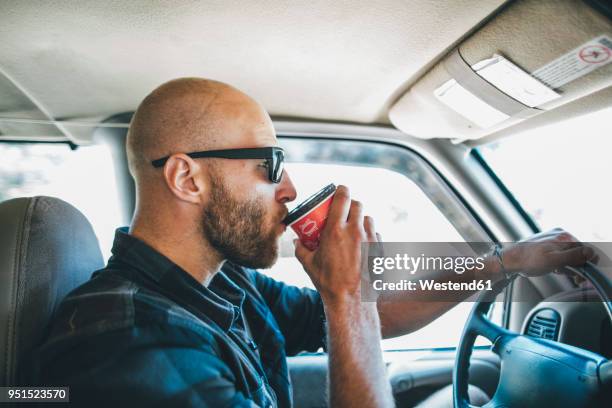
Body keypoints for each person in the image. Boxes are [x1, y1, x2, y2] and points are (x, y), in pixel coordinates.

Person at [31, 78, 596, 407]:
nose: (291, 189)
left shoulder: (223, 283)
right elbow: (352, 312)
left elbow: (381, 318)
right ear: (186, 178)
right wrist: (347, 295)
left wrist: (504, 262)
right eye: (270, 164)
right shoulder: (129, 344)